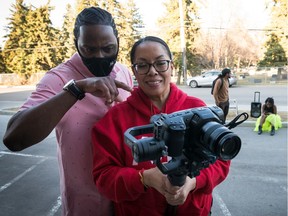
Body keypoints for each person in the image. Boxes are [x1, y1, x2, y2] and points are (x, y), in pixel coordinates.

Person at [3, 7, 133, 216]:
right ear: (76, 44)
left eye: (108, 48)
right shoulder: (59, 78)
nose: (100, 56)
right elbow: (13, 138)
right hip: (86, 205)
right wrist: (76, 89)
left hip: (128, 198)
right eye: (89, 49)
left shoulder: (123, 71)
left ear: (117, 41)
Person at [91, 36, 231, 216]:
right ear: (134, 71)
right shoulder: (114, 120)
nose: (152, 71)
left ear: (171, 67)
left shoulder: (197, 108)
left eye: (160, 63)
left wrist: (193, 182)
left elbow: (221, 159)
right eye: (142, 65)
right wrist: (144, 178)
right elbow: (104, 178)